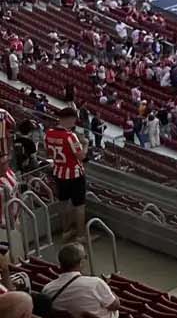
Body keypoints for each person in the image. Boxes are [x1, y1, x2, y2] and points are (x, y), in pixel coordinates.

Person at [36, 243, 116, 318]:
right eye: (85, 256)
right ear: (81, 262)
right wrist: (109, 288)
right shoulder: (96, 283)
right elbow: (114, 305)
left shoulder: (47, 289)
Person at [45, 107, 88, 243]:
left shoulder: (48, 133)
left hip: (58, 173)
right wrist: (85, 144)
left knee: (64, 204)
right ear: (69, 119)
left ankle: (66, 231)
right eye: (74, 119)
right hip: (75, 174)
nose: (75, 122)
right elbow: (81, 156)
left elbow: (49, 153)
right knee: (79, 205)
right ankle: (80, 236)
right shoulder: (70, 136)